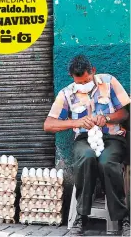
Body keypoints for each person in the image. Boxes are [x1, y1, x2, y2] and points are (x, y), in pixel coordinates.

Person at [43, 55, 130, 236]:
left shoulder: (109, 82)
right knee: (86, 158)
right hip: (84, 139)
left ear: (93, 71)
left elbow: (125, 113)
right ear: (72, 78)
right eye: (79, 82)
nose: (84, 84)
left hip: (113, 137)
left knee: (107, 162)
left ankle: (122, 218)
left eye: (87, 80)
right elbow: (49, 125)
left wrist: (106, 118)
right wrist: (77, 123)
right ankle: (81, 216)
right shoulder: (67, 93)